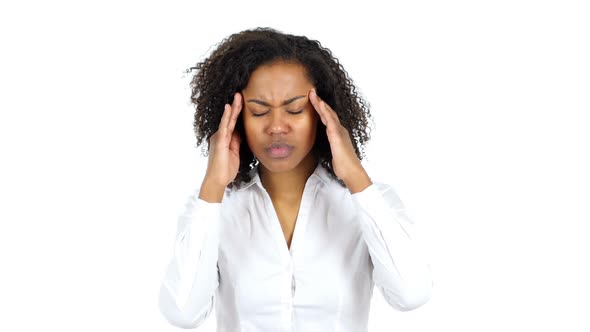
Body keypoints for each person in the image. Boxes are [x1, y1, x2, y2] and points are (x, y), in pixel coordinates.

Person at [158, 27, 433, 331]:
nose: (277, 127)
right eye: (259, 112)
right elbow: (183, 313)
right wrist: (213, 185)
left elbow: (411, 294)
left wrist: (355, 176)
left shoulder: (367, 201)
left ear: (322, 113)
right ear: (236, 119)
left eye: (295, 109)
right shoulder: (214, 208)